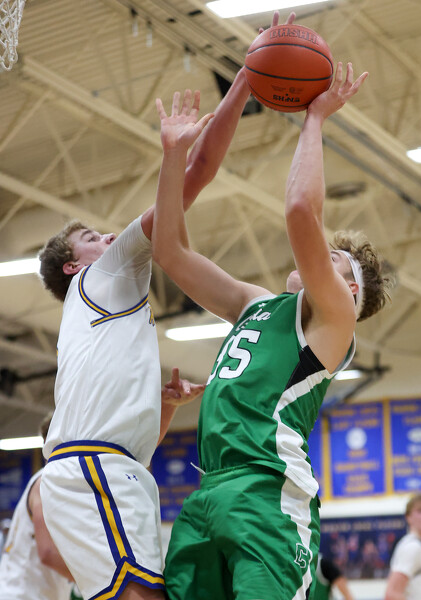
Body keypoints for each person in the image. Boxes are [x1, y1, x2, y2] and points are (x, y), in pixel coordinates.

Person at [152, 31, 394, 600]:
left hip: (269, 493)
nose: (323, 257)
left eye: (337, 262)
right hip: (208, 493)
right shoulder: (255, 303)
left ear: (350, 292)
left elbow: (300, 210)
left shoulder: (334, 319)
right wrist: (176, 154)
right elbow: (169, 251)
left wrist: (316, 119)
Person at [37, 51, 258, 600]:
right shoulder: (104, 276)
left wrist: (162, 408)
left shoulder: (102, 319)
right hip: (94, 470)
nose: (109, 237)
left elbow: (132, 442)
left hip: (110, 469)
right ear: (73, 267)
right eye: (91, 238)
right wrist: (242, 86)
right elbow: (197, 174)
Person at [0, 413, 73, 600]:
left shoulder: (57, 483)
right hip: (23, 594)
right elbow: (48, 553)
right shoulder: (45, 483)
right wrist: (93, 580)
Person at [384, 493, 421, 600]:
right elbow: (391, 594)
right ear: (408, 518)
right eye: (420, 511)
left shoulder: (420, 545)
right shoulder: (413, 547)